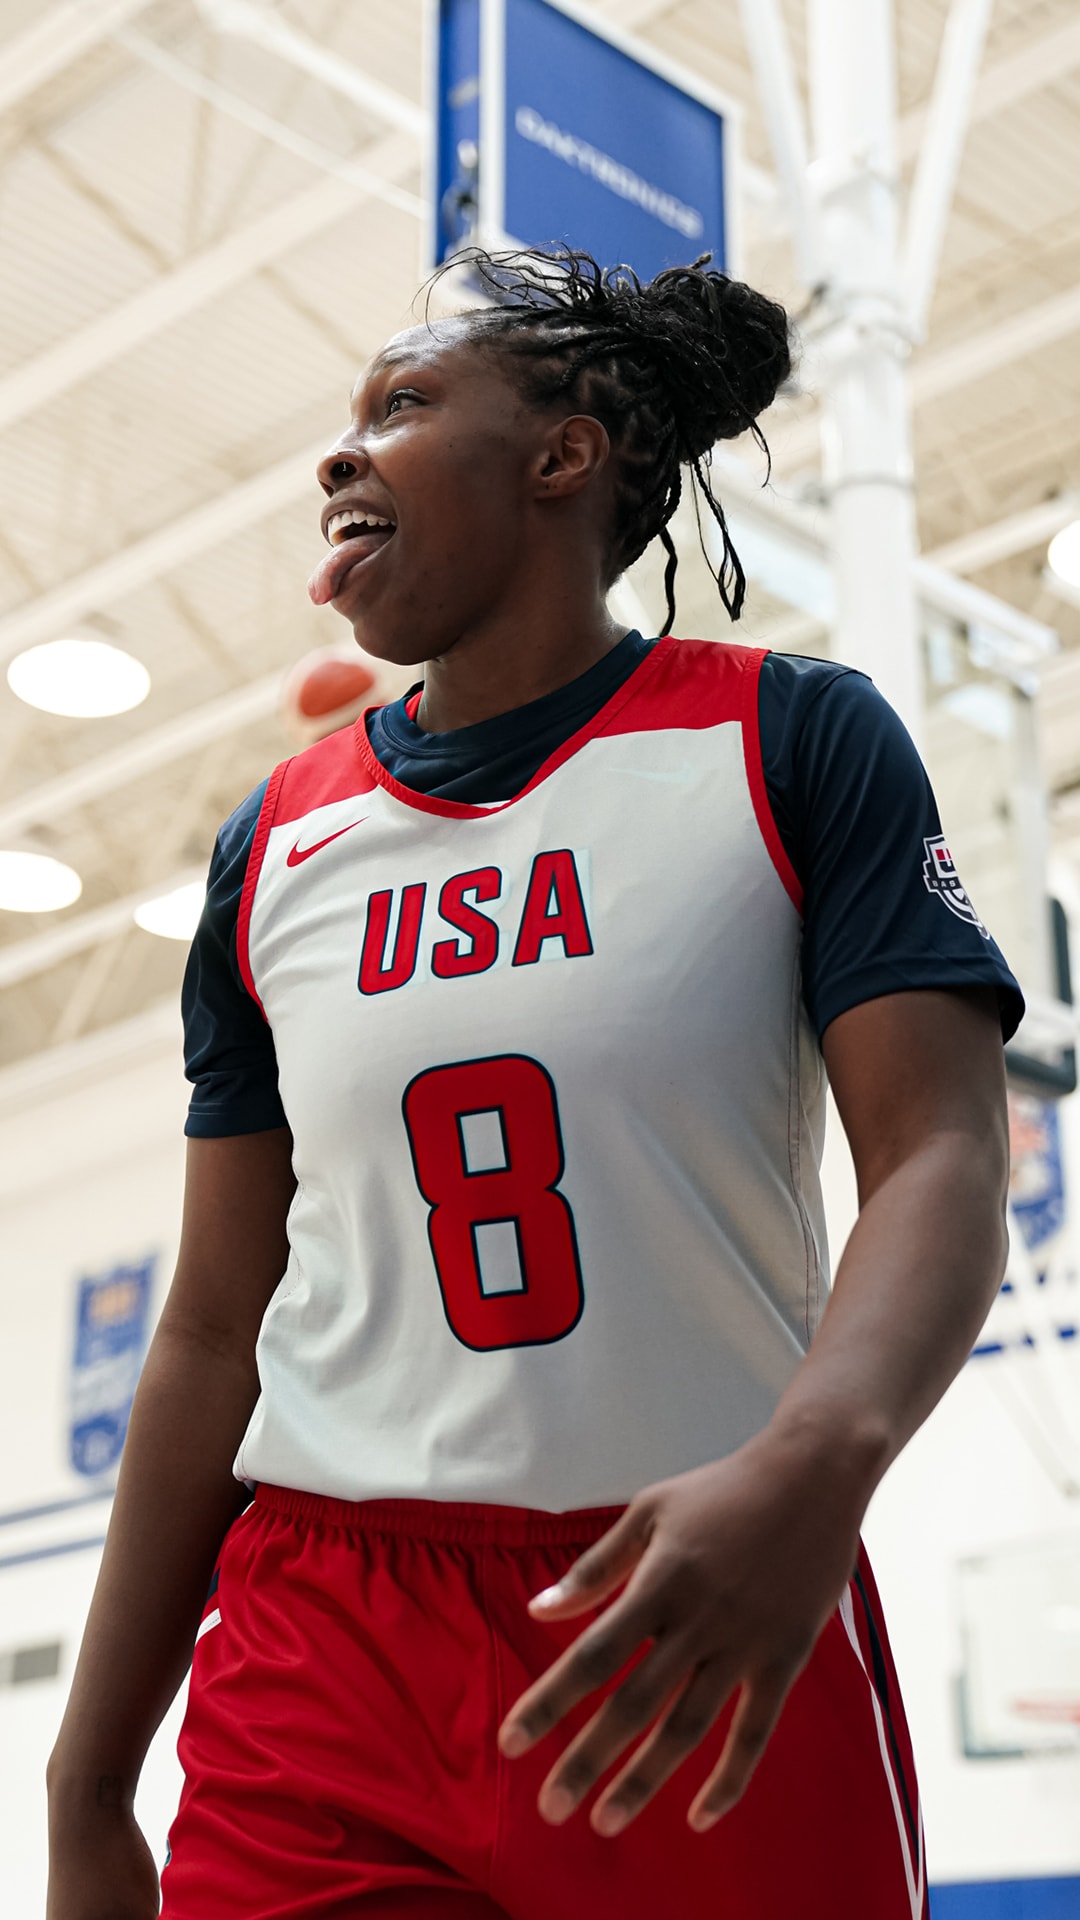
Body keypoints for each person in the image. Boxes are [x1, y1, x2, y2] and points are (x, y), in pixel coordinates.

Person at [46, 249, 1021, 1920]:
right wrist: (84, 1781)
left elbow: (938, 1147)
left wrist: (822, 1457)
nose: (343, 454)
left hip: (688, 1595)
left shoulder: (792, 739)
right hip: (328, 1631)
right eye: (347, 422)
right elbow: (215, 1320)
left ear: (564, 457)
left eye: (403, 407)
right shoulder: (273, 845)